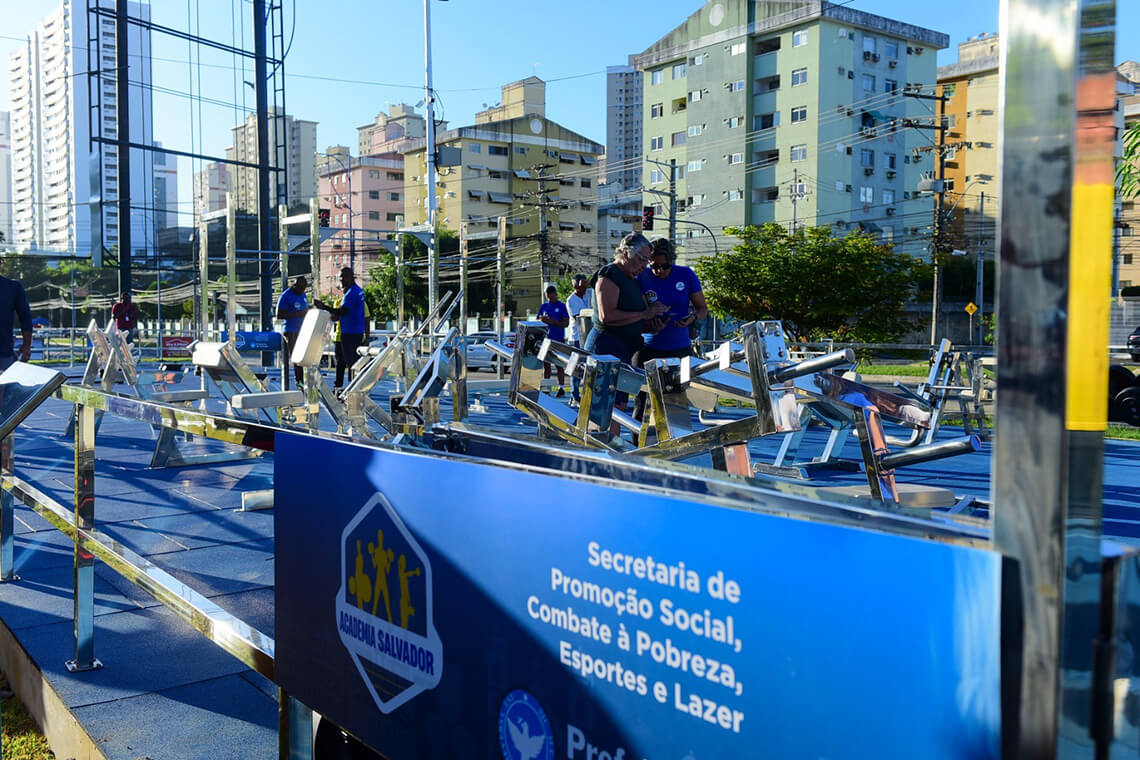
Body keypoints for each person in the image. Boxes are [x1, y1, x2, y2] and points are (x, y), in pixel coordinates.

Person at [586, 232, 668, 424]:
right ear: (625, 253)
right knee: (606, 407)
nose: (643, 266)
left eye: (646, 261)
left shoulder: (631, 279)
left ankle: (607, 447)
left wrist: (652, 325)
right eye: (641, 260)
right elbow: (608, 316)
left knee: (618, 406)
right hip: (606, 346)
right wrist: (644, 315)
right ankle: (599, 449)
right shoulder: (610, 274)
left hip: (624, 349)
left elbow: (632, 320)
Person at [633, 237, 709, 422]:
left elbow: (702, 309)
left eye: (664, 266)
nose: (659, 271)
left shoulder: (686, 275)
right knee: (642, 404)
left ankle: (674, 447)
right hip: (648, 348)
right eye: (655, 266)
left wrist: (691, 318)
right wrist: (649, 321)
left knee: (675, 405)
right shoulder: (641, 276)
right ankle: (638, 447)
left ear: (672, 262)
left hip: (679, 348)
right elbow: (634, 311)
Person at [315, 268, 368, 390]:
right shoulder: (356, 291)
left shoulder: (351, 294)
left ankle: (356, 390)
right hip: (353, 331)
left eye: (343, 277)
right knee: (347, 362)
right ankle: (352, 388)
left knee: (351, 363)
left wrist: (324, 307)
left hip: (350, 333)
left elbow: (342, 312)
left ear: (351, 277)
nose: (341, 281)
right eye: (340, 278)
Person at [275, 276, 309, 387]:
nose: (301, 290)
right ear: (294, 285)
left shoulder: (303, 295)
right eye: (299, 288)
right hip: (291, 330)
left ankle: (305, 380)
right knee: (297, 356)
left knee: (305, 356)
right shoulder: (286, 296)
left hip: (303, 330)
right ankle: (299, 381)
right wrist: (298, 314)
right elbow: (279, 315)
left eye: (303, 288)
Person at [536, 284, 570, 397]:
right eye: (547, 297)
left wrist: (553, 321)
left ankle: (561, 388)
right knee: (546, 365)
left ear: (555, 295)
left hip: (558, 340)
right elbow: (538, 319)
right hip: (546, 340)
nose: (549, 299)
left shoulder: (561, 306)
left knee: (559, 365)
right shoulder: (544, 306)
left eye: (551, 296)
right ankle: (546, 387)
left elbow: (566, 323)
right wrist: (542, 319)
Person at [565, 273, 593, 406]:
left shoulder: (589, 293)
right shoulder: (571, 300)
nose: (585, 284)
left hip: (589, 336)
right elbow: (579, 317)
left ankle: (588, 394)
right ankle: (574, 395)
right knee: (576, 367)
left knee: (590, 366)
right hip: (576, 337)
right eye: (582, 282)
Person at [0, 274, 32, 371]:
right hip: (5, 353)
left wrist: (27, 345)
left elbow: (25, 316)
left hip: (3, 353)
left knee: (6, 385)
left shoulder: (12, 287)